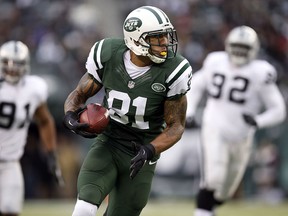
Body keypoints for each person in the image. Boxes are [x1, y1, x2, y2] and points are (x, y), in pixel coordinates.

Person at [63, 5, 192, 216]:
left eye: (166, 36)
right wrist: (70, 115)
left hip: (142, 152)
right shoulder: (108, 54)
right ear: (136, 40)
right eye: (157, 38)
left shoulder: (174, 70)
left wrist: (150, 149)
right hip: (109, 142)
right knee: (84, 208)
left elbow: (176, 126)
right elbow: (78, 95)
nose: (165, 43)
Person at [186, 25, 286, 216]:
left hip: (242, 135)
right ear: (227, 45)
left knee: (226, 191)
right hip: (214, 126)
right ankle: (202, 212)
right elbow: (196, 85)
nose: (239, 51)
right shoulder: (215, 61)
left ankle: (209, 208)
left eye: (244, 47)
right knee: (213, 177)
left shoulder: (261, 71)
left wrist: (258, 121)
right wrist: (189, 112)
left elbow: (279, 110)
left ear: (254, 49)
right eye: (236, 46)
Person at [0, 40, 63, 216]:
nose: (12, 68)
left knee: (11, 211)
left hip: (10, 162)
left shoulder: (33, 88)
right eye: (7, 63)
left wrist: (51, 154)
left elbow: (45, 121)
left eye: (17, 64)